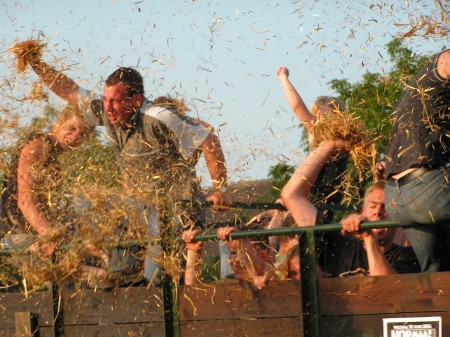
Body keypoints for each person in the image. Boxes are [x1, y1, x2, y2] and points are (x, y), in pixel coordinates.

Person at [11, 40, 230, 284]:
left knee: (157, 279)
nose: (108, 108)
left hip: (178, 207)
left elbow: (208, 140)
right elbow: (68, 90)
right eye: (105, 100)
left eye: (114, 101)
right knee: (124, 276)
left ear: (136, 100)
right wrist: (34, 61)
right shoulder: (106, 111)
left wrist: (219, 188)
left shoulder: (159, 116)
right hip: (140, 208)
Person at [0, 104, 108, 285]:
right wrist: (49, 235)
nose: (74, 137)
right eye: (71, 128)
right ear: (59, 122)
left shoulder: (52, 156)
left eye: (81, 134)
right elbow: (25, 201)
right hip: (17, 234)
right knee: (95, 276)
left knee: (95, 266)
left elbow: (46, 207)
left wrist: (78, 238)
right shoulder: (36, 147)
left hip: (34, 234)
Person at [280, 140, 419, 277]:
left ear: (397, 215)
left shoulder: (408, 257)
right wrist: (329, 146)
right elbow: (291, 195)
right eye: (372, 206)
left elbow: (387, 291)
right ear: (363, 212)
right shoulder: (338, 244)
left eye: (386, 207)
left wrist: (368, 237)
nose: (378, 212)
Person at [384, 49, 450, 273]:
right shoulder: (433, 73)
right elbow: (447, 60)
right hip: (428, 190)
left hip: (396, 199)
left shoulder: (416, 94)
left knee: (438, 269)